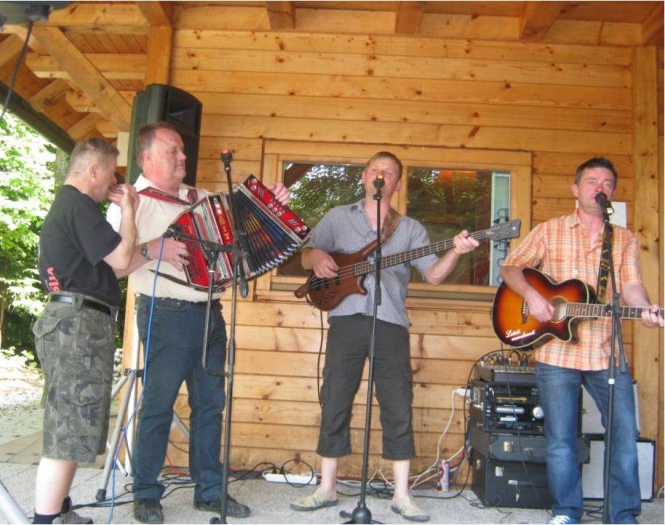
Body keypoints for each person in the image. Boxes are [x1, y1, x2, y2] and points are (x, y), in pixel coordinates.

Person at [108, 122, 290, 524]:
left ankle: (209, 490)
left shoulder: (201, 198)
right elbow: (114, 268)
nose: (183, 157)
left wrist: (272, 204)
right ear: (147, 157)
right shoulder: (128, 202)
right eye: (173, 151)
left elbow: (242, 232)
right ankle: (145, 493)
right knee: (157, 405)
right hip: (164, 314)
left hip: (210, 313)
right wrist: (153, 248)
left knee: (211, 406)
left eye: (182, 150)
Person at [290, 151, 479, 522]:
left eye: (389, 172)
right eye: (375, 170)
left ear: (397, 183)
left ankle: (401, 495)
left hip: (390, 322)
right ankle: (327, 487)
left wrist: (456, 252)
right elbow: (306, 255)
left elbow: (434, 274)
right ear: (364, 177)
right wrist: (318, 258)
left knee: (397, 403)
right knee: (335, 398)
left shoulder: (409, 229)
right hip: (345, 319)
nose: (381, 175)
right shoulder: (337, 217)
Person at [498, 157, 663, 524]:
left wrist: (645, 309)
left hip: (607, 352)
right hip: (556, 352)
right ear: (576, 189)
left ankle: (623, 515)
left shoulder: (623, 239)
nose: (599, 188)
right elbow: (510, 267)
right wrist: (534, 298)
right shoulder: (550, 230)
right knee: (560, 439)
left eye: (606, 183)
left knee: (624, 434)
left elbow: (632, 285)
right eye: (591, 181)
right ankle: (566, 512)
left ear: (612, 193)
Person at [32, 139, 137, 524]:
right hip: (76, 325)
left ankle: (59, 511)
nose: (114, 181)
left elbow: (116, 268)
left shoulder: (72, 207)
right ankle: (45, 519)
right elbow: (122, 256)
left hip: (75, 322)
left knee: (75, 425)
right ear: (93, 170)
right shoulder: (78, 205)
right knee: (68, 429)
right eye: (111, 172)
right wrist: (128, 209)